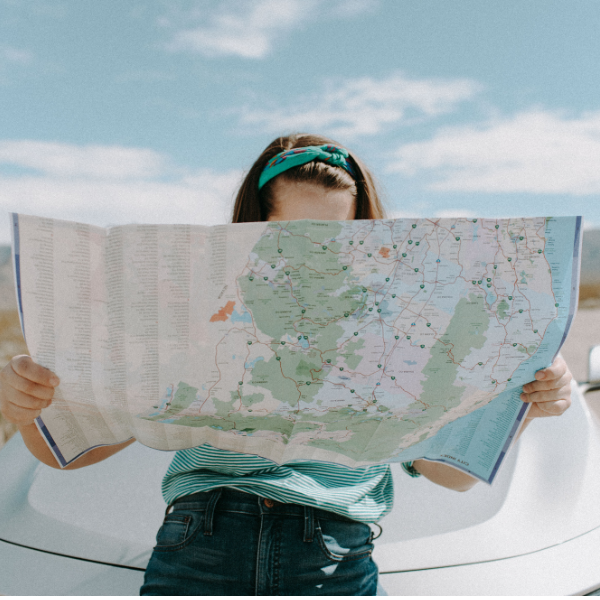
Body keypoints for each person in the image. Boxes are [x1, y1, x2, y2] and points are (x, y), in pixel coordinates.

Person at [0, 133, 573, 596]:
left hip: (335, 556)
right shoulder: (196, 310)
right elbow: (70, 455)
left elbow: (451, 475)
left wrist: (521, 403)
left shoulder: (404, 325)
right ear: (252, 229)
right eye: (290, 235)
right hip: (199, 540)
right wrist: (26, 406)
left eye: (334, 238)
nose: (311, 255)